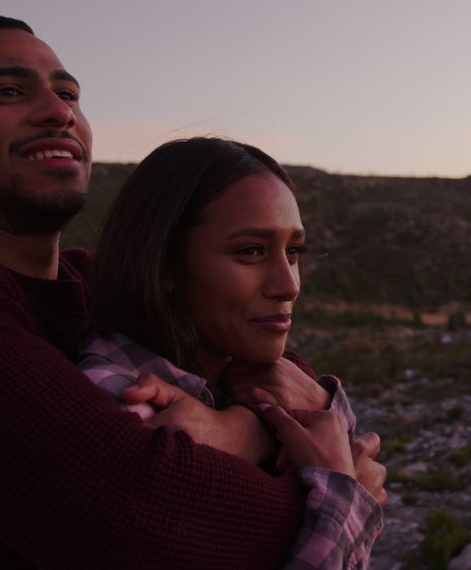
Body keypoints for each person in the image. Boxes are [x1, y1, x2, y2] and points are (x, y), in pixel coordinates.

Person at [0, 15, 384, 569]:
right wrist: (335, 486)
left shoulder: (85, 285)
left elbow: (279, 373)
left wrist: (246, 428)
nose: (58, 112)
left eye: (69, 94)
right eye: (9, 92)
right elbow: (143, 528)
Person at [79, 138, 385, 567]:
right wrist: (343, 493)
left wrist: (305, 409)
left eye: (293, 251)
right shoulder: (120, 407)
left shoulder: (246, 378)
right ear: (165, 264)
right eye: (251, 251)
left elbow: (343, 445)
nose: (289, 285)